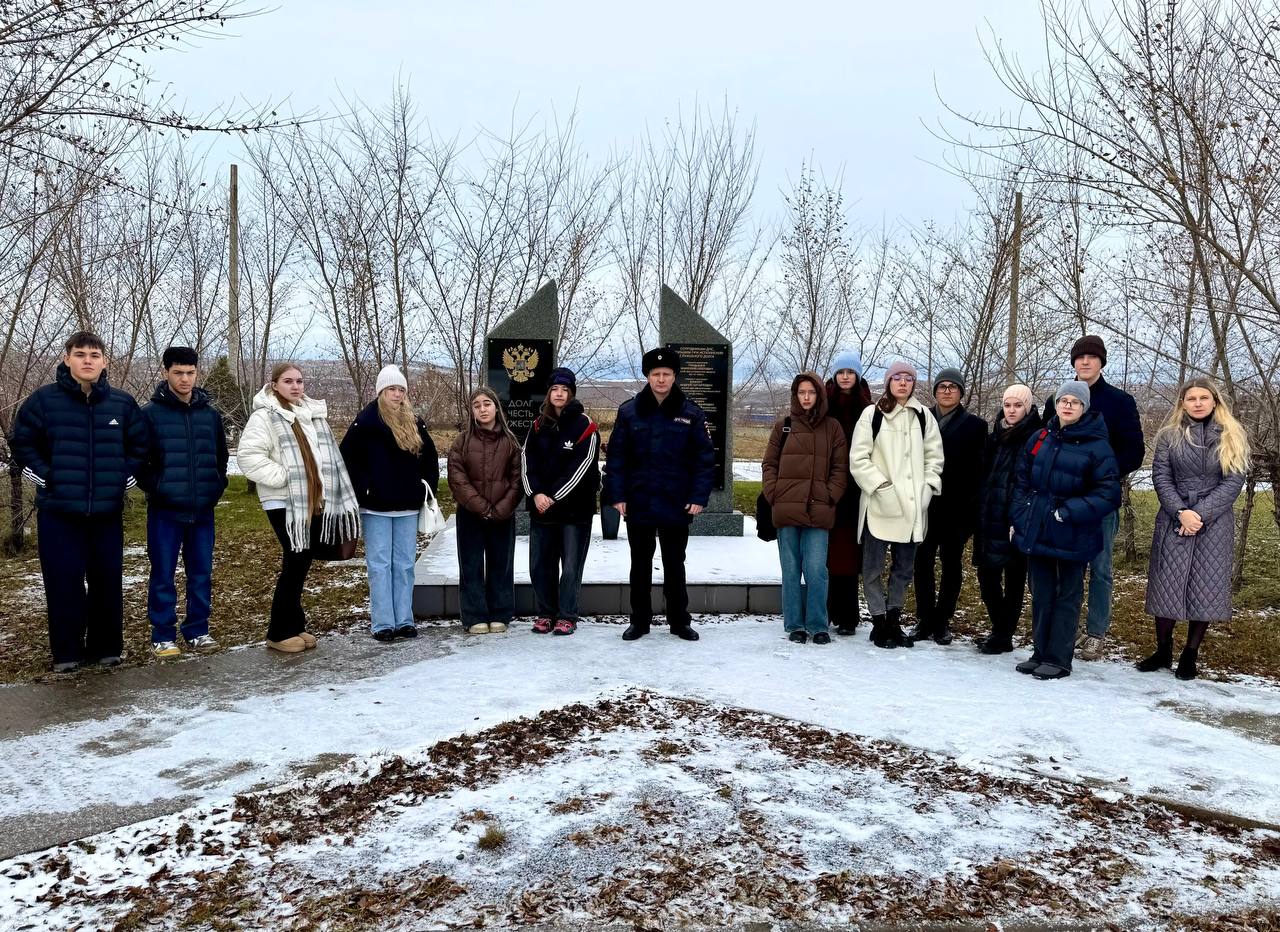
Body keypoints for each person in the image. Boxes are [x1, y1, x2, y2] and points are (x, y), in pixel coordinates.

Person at [11, 331, 149, 672]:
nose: (88, 360)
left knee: (107, 581)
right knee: (63, 582)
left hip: (106, 512)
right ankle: (67, 653)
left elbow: (141, 445)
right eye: (80, 354)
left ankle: (107, 648)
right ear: (66, 358)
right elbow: (22, 442)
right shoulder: (44, 401)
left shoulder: (121, 403)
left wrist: (126, 473)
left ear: (104, 361)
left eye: (94, 354)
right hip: (59, 512)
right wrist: (47, 475)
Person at [238, 362, 361, 653]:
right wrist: (286, 478)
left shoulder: (310, 414)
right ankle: (278, 632)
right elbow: (249, 457)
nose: (295, 386)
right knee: (296, 558)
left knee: (300, 562)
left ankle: (294, 625)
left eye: (299, 381)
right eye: (288, 381)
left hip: (311, 500)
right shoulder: (264, 416)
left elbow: (320, 458)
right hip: (283, 500)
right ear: (274, 385)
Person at [1139, 379, 1249, 681]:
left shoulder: (1232, 436)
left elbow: (1233, 483)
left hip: (1213, 524)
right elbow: (1161, 477)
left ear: (1214, 401)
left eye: (1203, 397)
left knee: (1206, 586)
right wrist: (1180, 512)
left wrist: (1198, 515)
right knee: (1166, 585)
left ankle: (1190, 654)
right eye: (1191, 398)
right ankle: (1163, 650)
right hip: (1174, 518)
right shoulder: (1169, 436)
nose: (1197, 403)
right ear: (1182, 403)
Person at [1012, 381, 1121, 680]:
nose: (1068, 405)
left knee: (1068, 594)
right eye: (1064, 400)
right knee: (1041, 592)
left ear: (1084, 407)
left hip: (1073, 531)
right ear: (1056, 404)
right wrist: (1022, 515)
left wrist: (1068, 512)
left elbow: (1108, 493)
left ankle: (1060, 658)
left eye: (1075, 401)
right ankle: (1040, 653)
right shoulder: (1041, 437)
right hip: (1039, 528)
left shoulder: (1098, 446)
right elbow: (1022, 480)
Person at [605, 347, 715, 642]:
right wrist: (617, 495)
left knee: (674, 564)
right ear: (648, 376)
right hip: (638, 501)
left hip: (676, 502)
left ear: (674, 376)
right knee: (639, 565)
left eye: (667, 374)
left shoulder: (690, 412)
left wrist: (698, 496)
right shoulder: (629, 411)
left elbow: (704, 460)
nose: (661, 379)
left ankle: (679, 621)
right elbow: (616, 458)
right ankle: (639, 621)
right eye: (656, 374)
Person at [1048, 335, 1144, 661]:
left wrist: (1101, 473)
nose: (1085, 362)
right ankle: (1068, 625)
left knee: (1100, 567)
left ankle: (1095, 632)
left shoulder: (1120, 401)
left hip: (1101, 498)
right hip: (1063, 497)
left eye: (1092, 357)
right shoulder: (1058, 399)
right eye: (1080, 357)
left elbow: (1135, 451)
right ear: (1073, 362)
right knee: (1065, 564)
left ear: (1102, 362)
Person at [138, 346, 229, 658]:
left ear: (197, 373)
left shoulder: (210, 415)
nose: (185, 379)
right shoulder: (150, 414)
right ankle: (163, 635)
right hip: (165, 511)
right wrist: (159, 489)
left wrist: (216, 486)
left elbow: (221, 458)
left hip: (202, 510)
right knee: (163, 573)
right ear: (166, 373)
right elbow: (141, 463)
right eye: (178, 372)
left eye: (190, 372)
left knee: (201, 572)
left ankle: (198, 630)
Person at [849, 361, 944, 649]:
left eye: (908, 379)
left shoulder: (923, 416)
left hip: (913, 509)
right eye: (897, 378)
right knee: (873, 568)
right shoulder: (872, 415)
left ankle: (894, 621)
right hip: (880, 505)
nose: (903, 383)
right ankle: (878, 623)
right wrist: (881, 487)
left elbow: (934, 458)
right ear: (889, 381)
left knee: (903, 570)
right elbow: (859, 459)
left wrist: (928, 488)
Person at [340, 365, 438, 642]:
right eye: (392, 389)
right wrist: (365, 488)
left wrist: (423, 488)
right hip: (376, 507)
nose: (397, 394)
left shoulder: (415, 423)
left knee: (405, 564)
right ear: (381, 392)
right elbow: (347, 461)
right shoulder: (365, 423)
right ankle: (383, 622)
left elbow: (430, 461)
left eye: (401, 389)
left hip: (407, 504)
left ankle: (404, 620)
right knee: (380, 565)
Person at [762, 372, 848, 644]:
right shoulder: (783, 426)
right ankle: (795, 625)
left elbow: (839, 468)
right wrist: (774, 493)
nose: (806, 397)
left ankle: (817, 625)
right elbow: (769, 465)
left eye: (811, 392)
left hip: (818, 511)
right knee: (790, 570)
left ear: (819, 395)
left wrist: (830, 495)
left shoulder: (832, 427)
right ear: (795, 395)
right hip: (786, 509)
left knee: (816, 570)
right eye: (801, 393)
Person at [910, 367, 988, 646]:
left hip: (957, 510)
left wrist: (970, 513)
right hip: (925, 505)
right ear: (935, 391)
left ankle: (942, 621)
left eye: (952, 387)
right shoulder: (920, 420)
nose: (946, 391)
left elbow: (979, 472)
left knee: (951, 565)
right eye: (941, 386)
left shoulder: (976, 426)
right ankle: (924, 619)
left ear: (960, 392)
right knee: (922, 563)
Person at [521, 367, 600, 636]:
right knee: (539, 565)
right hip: (542, 509)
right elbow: (526, 462)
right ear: (548, 393)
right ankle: (546, 613)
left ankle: (567, 615)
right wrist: (536, 494)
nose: (559, 394)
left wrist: (553, 496)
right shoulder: (537, 425)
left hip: (573, 512)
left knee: (570, 568)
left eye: (565, 390)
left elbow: (583, 466)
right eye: (555, 389)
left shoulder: (585, 426)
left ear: (571, 394)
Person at [972, 385, 1043, 654]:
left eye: (1018, 406)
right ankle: (1000, 630)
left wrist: (1020, 516)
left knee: (1014, 581)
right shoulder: (995, 437)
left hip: (1015, 520)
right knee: (987, 579)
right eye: (1008, 405)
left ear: (1028, 408)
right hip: (988, 516)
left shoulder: (1034, 438)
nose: (1012, 410)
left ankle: (1003, 634)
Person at [448, 387, 522, 635]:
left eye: (487, 403)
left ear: (496, 408)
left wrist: (500, 509)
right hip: (471, 514)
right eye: (477, 405)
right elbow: (457, 478)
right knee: (471, 565)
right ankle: (474, 615)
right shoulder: (462, 441)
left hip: (502, 514)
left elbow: (517, 480)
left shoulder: (510, 442)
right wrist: (481, 507)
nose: (482, 409)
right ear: (472, 411)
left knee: (501, 564)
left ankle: (500, 613)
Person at [824, 349, 872, 635]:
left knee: (850, 554)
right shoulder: (825, 404)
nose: (845, 377)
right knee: (827, 553)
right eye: (841, 372)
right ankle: (827, 610)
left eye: (850, 372)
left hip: (856, 490)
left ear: (857, 376)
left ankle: (848, 616)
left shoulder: (867, 407)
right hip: (829, 486)